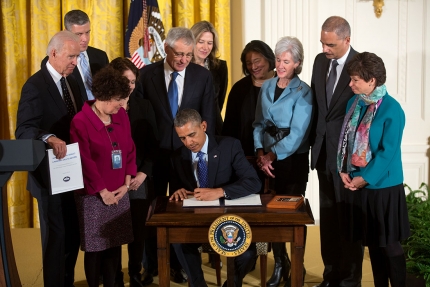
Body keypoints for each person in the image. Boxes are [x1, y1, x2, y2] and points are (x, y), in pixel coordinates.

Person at [15, 30, 82, 287]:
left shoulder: (72, 82)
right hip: (48, 176)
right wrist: (49, 137)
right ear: (53, 53)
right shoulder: (34, 86)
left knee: (73, 235)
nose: (75, 62)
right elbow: (24, 130)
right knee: (57, 236)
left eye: (77, 56)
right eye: (71, 56)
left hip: (73, 174)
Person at [338, 52, 410, 287]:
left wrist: (365, 178)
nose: (350, 84)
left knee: (389, 245)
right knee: (372, 244)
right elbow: (346, 141)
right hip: (360, 184)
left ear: (372, 81)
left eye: (355, 79)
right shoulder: (354, 103)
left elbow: (388, 153)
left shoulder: (392, 109)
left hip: (384, 187)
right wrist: (344, 169)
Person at [169, 109, 261, 287]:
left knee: (248, 254)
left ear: (203, 126)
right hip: (196, 221)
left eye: (192, 135)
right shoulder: (177, 157)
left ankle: (232, 284)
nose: (188, 142)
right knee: (178, 241)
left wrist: (220, 191)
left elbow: (253, 182)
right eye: (182, 138)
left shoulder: (230, 146)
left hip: (229, 219)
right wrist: (178, 192)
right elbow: (176, 192)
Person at [253, 36, 313, 287]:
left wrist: (272, 154)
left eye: (286, 61)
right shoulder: (267, 86)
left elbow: (299, 133)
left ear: (297, 63)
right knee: (269, 216)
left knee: (291, 216)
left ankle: (296, 264)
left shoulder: (304, 91)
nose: (280, 65)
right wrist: (259, 151)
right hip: (265, 161)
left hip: (291, 161)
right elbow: (257, 123)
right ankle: (280, 263)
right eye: (278, 60)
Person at [70, 67, 136, 287]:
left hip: (119, 190)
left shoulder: (121, 115)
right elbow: (84, 161)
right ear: (103, 96)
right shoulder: (80, 121)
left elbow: (129, 148)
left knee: (115, 244)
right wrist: (103, 192)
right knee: (95, 247)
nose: (121, 104)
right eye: (118, 99)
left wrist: (127, 182)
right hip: (94, 195)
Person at [310, 16, 363, 287]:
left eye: (330, 44)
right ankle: (330, 276)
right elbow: (318, 109)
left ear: (347, 40)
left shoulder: (361, 65)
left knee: (349, 221)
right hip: (322, 154)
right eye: (322, 42)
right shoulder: (320, 62)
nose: (324, 49)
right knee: (329, 220)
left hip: (349, 160)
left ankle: (350, 280)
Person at [139, 26, 215, 197]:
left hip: (188, 155)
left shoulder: (203, 76)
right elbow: (139, 119)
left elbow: (208, 117)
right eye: (179, 54)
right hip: (154, 155)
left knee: (185, 205)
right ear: (166, 48)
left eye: (188, 55)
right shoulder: (145, 75)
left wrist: (204, 153)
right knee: (153, 206)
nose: (184, 60)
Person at [109, 57, 159, 287]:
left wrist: (142, 174)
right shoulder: (103, 106)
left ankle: (135, 274)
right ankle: (115, 275)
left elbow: (153, 146)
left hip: (138, 180)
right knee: (115, 231)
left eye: (133, 81)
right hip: (112, 181)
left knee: (137, 231)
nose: (130, 86)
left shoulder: (145, 106)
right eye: (125, 80)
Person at [222, 40, 276, 156]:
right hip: (246, 156)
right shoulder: (239, 89)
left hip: (281, 157)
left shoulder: (285, 84)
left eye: (257, 61)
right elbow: (229, 128)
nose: (253, 67)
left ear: (269, 58)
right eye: (248, 63)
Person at [190, 20, 228, 134]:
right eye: (201, 42)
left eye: (209, 43)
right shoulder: (183, 66)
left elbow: (219, 101)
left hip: (214, 128)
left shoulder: (220, 67)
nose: (205, 47)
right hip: (189, 127)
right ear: (192, 41)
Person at [64, 9, 109, 101]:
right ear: (66, 33)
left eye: (87, 32)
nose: (85, 39)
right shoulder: (57, 61)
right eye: (79, 34)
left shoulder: (101, 56)